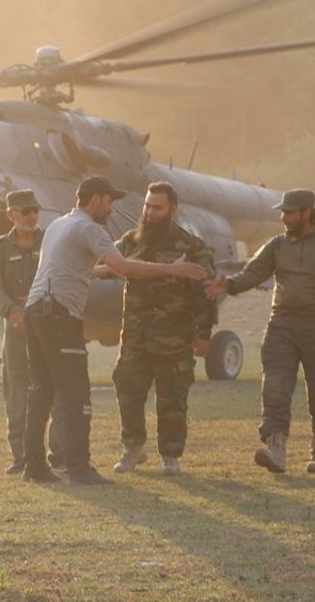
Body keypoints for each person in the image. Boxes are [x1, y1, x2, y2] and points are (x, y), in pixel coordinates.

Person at [22, 175, 208, 485]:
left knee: (41, 391)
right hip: (59, 316)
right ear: (95, 200)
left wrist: (122, 264)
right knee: (75, 394)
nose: (111, 209)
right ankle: (79, 469)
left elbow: (87, 269)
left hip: (35, 312)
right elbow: (125, 269)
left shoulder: (59, 225)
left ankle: (35, 467)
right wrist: (174, 268)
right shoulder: (89, 228)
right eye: (109, 202)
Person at [206, 188, 315, 475]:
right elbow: (253, 273)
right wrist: (229, 285)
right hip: (281, 324)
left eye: (289, 212)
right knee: (274, 386)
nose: (283, 218)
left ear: (307, 213)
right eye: (282, 212)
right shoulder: (276, 246)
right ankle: (276, 448)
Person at [99, 181, 216, 476]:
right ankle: (132, 448)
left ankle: (171, 456)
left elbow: (207, 292)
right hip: (135, 338)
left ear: (172, 210)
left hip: (175, 340)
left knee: (172, 399)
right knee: (127, 390)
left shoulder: (192, 247)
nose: (150, 213)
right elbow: (104, 265)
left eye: (157, 207)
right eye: (147, 206)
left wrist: (204, 334)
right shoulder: (129, 242)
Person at [0, 189, 61, 475]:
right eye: (25, 211)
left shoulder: (51, 242)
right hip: (16, 327)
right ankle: (20, 456)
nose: (32, 216)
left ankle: (58, 454)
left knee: (54, 386)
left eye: (35, 210)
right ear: (10, 214)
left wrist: (38, 304)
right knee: (17, 387)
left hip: (49, 324)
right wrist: (15, 312)